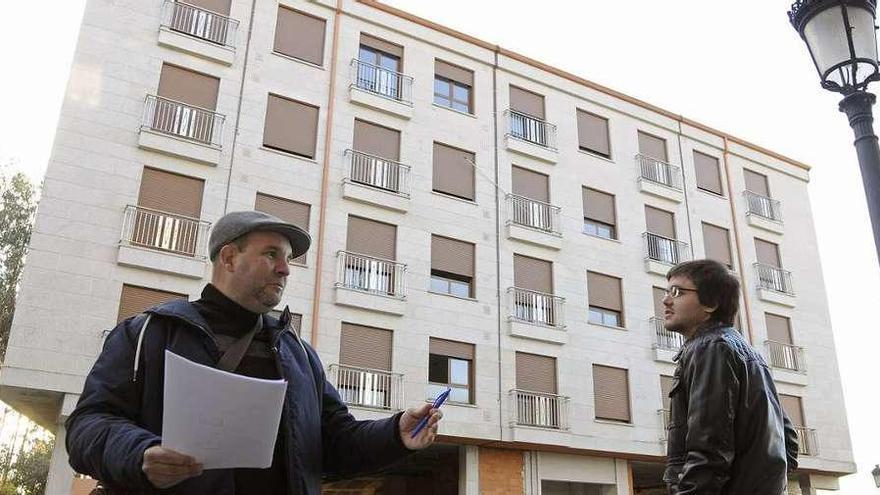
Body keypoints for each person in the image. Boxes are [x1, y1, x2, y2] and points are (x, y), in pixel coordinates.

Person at [66, 210, 442, 494]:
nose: (285, 270)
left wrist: (395, 433)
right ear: (228, 258)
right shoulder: (148, 333)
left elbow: (336, 442)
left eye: (288, 259)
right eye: (271, 255)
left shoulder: (300, 355)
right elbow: (86, 428)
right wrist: (140, 454)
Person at [661, 259, 798, 494]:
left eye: (677, 292)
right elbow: (789, 443)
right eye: (667, 292)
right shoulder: (748, 353)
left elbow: (709, 450)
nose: (666, 299)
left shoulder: (709, 348)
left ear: (711, 304)